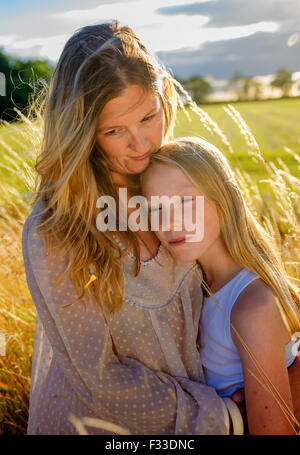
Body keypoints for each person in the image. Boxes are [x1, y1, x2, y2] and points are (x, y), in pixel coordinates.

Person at [21, 21, 243, 435]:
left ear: (165, 100)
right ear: (82, 133)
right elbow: (99, 377)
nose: (141, 145)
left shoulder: (177, 183)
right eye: (114, 131)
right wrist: (222, 417)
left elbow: (239, 275)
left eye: (149, 117)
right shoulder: (56, 230)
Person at [141, 136, 300, 435]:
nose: (170, 222)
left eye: (185, 201)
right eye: (155, 209)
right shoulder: (192, 288)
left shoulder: (251, 305)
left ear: (222, 197)